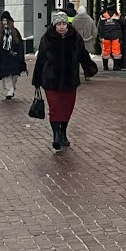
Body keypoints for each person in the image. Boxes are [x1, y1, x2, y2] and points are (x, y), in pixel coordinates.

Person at [32, 10, 98, 151]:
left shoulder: (75, 37)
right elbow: (41, 60)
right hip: (51, 80)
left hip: (70, 79)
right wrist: (37, 79)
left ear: (67, 24)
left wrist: (89, 67)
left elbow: (83, 55)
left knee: (67, 108)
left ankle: (63, 132)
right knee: (55, 108)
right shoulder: (47, 38)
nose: (61, 27)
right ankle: (56, 136)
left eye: (63, 24)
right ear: (54, 25)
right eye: (59, 24)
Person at [0, 11, 27, 100]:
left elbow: (20, 46)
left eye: (6, 20)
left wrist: (21, 58)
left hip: (14, 58)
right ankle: (8, 92)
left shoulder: (15, 32)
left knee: (14, 76)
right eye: (3, 20)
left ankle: (11, 89)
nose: (4, 22)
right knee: (6, 76)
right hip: (4, 58)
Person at [72, 7, 98, 78]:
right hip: (87, 43)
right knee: (85, 60)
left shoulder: (74, 20)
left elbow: (71, 32)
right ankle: (87, 74)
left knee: (75, 60)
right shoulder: (90, 20)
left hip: (76, 44)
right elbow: (95, 32)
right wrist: (91, 39)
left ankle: (75, 75)